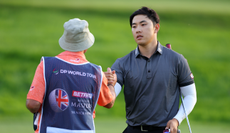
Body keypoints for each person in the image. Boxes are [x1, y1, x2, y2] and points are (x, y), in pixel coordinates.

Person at [105, 7, 197, 133]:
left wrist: (176, 119)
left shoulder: (177, 60)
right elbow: (110, 97)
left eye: (143, 25)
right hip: (134, 130)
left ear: (156, 28)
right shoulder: (122, 63)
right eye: (134, 26)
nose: (138, 30)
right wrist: (109, 83)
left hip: (165, 130)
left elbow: (190, 95)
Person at [26, 18, 117, 133]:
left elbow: (32, 104)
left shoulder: (46, 65)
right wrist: (111, 84)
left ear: (65, 41)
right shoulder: (97, 73)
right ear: (86, 45)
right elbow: (109, 103)